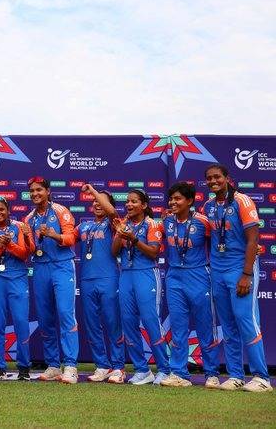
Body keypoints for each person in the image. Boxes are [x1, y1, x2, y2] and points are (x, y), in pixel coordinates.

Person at [202, 164, 272, 392]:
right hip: (219, 271)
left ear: (227, 178)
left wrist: (246, 273)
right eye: (209, 178)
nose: (213, 181)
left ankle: (261, 377)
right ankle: (235, 375)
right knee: (228, 324)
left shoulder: (242, 200)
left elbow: (253, 240)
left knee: (246, 320)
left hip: (240, 269)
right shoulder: (209, 206)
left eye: (217, 177)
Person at [159, 181, 220, 388]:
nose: (173, 202)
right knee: (178, 328)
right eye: (171, 198)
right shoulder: (166, 221)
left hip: (199, 275)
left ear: (190, 201)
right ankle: (179, 373)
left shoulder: (203, 221)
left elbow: (220, 242)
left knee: (205, 326)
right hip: (174, 276)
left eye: (178, 199)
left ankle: (211, 373)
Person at [24, 177, 79, 384]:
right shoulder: (29, 218)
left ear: (48, 191)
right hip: (40, 267)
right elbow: (30, 249)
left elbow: (70, 239)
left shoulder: (60, 211)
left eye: (39, 190)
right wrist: (26, 238)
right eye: (32, 191)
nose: (35, 194)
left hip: (62, 266)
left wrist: (54, 235)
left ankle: (71, 365)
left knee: (65, 314)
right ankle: (54, 365)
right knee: (45, 318)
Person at [112, 189, 170, 385]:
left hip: (146, 273)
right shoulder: (124, 224)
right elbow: (114, 251)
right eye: (127, 201)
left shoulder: (152, 224)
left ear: (144, 205)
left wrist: (134, 239)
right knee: (128, 322)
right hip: (126, 275)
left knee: (151, 321)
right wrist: (120, 234)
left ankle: (164, 369)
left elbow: (154, 253)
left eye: (134, 201)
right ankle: (142, 369)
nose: (128, 205)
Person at [74, 184, 126, 384]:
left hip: (109, 278)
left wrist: (94, 191)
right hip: (87, 280)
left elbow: (112, 211)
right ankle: (102, 365)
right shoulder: (84, 226)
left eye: (101, 201)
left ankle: (118, 367)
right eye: (94, 201)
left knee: (112, 323)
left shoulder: (113, 223)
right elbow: (68, 237)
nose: (97, 203)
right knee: (92, 325)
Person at [0, 195, 34, 381]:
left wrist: (9, 244)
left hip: (17, 277)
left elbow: (25, 254)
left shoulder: (19, 227)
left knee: (20, 321)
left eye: (1, 209)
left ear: (8, 209)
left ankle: (24, 366)